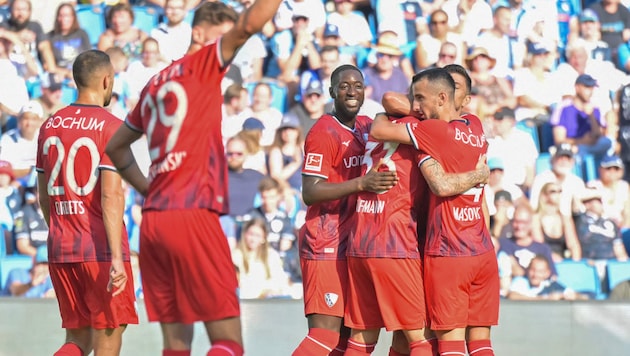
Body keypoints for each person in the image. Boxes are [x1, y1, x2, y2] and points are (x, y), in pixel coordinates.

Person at [105, 2, 284, 355]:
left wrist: (148, 189)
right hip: (193, 213)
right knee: (228, 342)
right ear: (198, 33)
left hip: (155, 222)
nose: (231, 48)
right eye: (224, 37)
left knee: (176, 346)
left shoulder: (154, 83)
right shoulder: (203, 64)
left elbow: (116, 147)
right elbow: (250, 23)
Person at [370, 67, 499, 356]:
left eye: (420, 99)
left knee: (443, 344)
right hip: (482, 251)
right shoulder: (475, 126)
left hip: (449, 252)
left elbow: (380, 127)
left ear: (447, 98)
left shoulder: (431, 132)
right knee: (481, 346)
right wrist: (479, 176)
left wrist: (393, 114)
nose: (417, 106)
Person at [292, 64, 399, 356]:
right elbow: (310, 191)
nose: (351, 91)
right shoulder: (322, 132)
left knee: (343, 340)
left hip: (353, 242)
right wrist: (363, 183)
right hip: (324, 242)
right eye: (344, 86)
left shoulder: (366, 125)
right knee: (323, 336)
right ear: (331, 92)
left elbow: (396, 113)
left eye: (358, 85)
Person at [36, 49, 137, 356]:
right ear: (107, 80)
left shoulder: (49, 125)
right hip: (100, 251)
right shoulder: (111, 127)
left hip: (61, 246)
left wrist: (61, 232)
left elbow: (44, 196)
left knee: (77, 340)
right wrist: (117, 258)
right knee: (108, 337)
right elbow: (110, 195)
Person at [507, 254, 589, 301]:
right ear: (528, 270)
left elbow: (583, 297)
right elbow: (512, 296)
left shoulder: (552, 285)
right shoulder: (520, 281)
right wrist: (544, 299)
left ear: (547, 273)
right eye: (533, 270)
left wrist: (572, 296)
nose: (535, 275)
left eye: (540, 271)